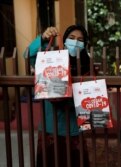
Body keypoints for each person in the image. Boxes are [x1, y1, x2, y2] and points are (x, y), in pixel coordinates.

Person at [27, 25, 90, 167]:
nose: (75, 43)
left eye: (80, 40)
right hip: (50, 126)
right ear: (65, 40)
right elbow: (29, 55)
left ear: (85, 44)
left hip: (74, 127)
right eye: (72, 38)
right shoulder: (51, 58)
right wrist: (43, 38)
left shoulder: (87, 64)